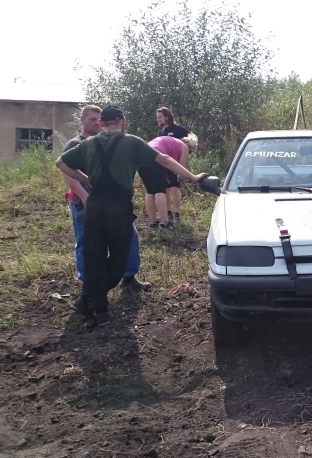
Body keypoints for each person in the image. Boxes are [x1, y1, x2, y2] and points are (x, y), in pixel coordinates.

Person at [56, 106, 207, 328]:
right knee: (119, 258)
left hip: (94, 205)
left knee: (94, 257)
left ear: (102, 123)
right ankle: (89, 300)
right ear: (123, 121)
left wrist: (86, 180)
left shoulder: (88, 144)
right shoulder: (132, 142)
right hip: (119, 206)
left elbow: (61, 163)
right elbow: (164, 159)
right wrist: (192, 177)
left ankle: (97, 308)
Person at [62, 105, 150, 291]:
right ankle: (88, 281)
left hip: (113, 197)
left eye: (98, 119)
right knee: (86, 240)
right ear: (82, 120)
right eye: (92, 119)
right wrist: (85, 196)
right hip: (85, 195)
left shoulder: (108, 141)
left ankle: (129, 276)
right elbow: (68, 173)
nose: (96, 123)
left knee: (129, 234)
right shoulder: (76, 143)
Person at [138, 134, 198, 230]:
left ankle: (153, 222)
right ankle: (164, 222)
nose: (188, 154)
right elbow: (183, 168)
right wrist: (184, 178)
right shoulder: (184, 147)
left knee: (150, 191)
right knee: (160, 191)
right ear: (189, 146)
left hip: (141, 158)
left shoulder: (172, 142)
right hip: (156, 158)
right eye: (190, 152)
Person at [156, 106, 191, 222]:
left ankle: (177, 213)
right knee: (166, 188)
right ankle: (168, 211)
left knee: (175, 187)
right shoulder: (161, 132)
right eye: (157, 117)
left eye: (160, 117)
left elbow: (192, 139)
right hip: (163, 163)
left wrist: (187, 148)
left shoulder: (178, 129)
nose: (158, 119)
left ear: (167, 117)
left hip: (175, 163)